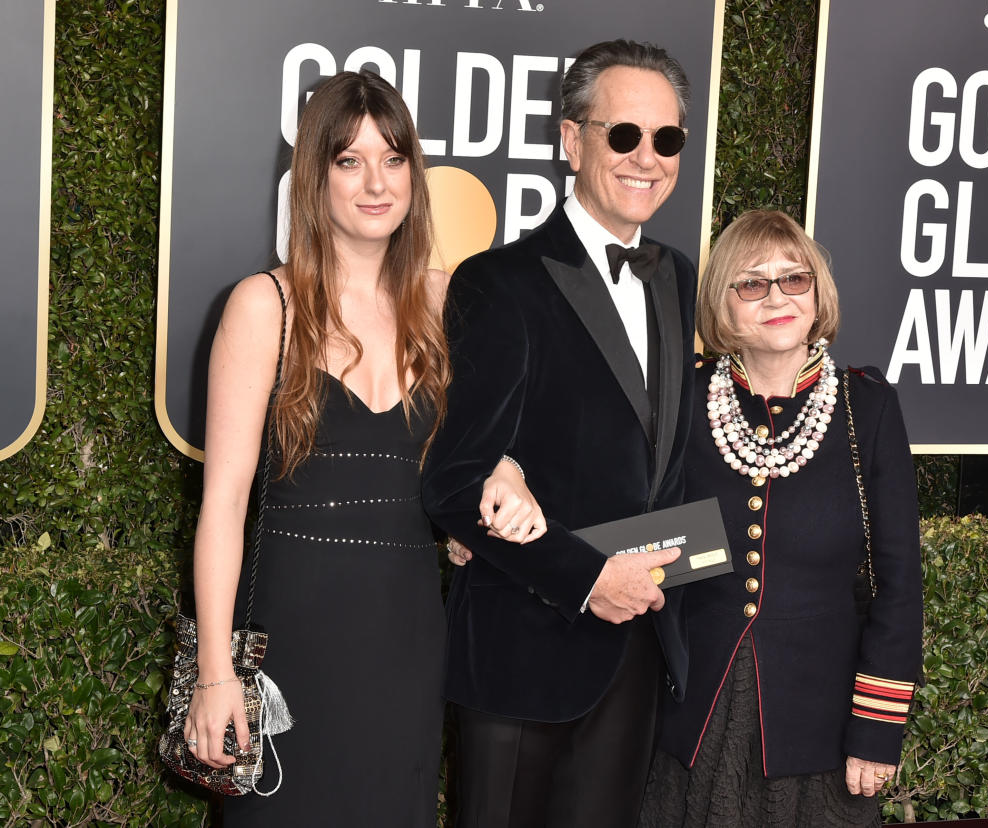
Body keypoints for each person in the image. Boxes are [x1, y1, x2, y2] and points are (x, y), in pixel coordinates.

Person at [183, 69, 540, 826]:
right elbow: (222, 508)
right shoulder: (264, 307)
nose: (376, 181)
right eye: (349, 159)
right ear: (314, 178)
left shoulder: (449, 304)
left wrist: (499, 487)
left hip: (407, 641)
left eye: (394, 157)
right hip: (291, 636)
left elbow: (478, 463)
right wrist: (217, 671)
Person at [421, 39, 699, 828]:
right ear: (572, 140)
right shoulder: (499, 282)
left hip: (639, 654)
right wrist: (587, 577)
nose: (648, 158)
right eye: (624, 135)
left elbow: (662, 466)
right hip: (522, 654)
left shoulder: (678, 277)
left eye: (667, 139)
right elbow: (453, 479)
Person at [636, 210, 924, 827]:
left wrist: (876, 729)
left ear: (817, 294)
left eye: (795, 279)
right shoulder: (683, 398)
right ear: (722, 304)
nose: (776, 298)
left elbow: (899, 585)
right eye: (752, 284)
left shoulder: (866, 408)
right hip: (691, 722)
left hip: (818, 732)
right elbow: (634, 521)